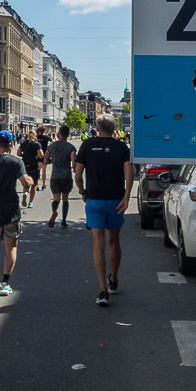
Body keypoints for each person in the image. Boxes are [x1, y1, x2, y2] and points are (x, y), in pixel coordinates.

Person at [74, 113, 133, 306]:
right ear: (113, 128)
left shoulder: (87, 145)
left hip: (95, 199)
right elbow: (129, 171)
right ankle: (113, 280)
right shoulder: (121, 146)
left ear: (97, 127)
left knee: (98, 243)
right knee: (114, 240)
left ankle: (102, 291)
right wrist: (126, 196)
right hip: (116, 199)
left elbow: (77, 174)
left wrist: (83, 190)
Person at [0, 131, 33, 296]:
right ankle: (5, 283)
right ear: (11, 144)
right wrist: (30, 182)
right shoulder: (16, 162)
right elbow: (25, 182)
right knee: (11, 246)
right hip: (11, 211)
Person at [47, 125, 76, 228]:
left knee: (56, 198)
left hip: (55, 175)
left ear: (59, 134)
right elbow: (73, 161)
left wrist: (53, 161)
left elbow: (46, 160)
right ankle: (63, 221)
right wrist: (75, 169)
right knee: (65, 198)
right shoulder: (71, 147)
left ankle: (54, 211)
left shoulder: (51, 146)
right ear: (68, 134)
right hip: (66, 176)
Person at [17, 132, 43, 209]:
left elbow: (18, 153)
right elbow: (40, 155)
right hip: (34, 165)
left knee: (26, 183)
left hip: (25, 164)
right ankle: (30, 202)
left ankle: (25, 193)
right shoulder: (37, 144)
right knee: (34, 184)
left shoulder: (24, 143)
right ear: (35, 136)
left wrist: (24, 155)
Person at [36, 125, 51, 191]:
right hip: (45, 155)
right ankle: (43, 185)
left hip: (38, 155)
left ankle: (37, 184)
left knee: (38, 170)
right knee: (44, 171)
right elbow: (54, 141)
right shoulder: (46, 137)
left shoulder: (36, 137)